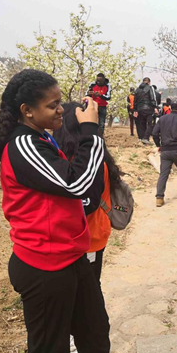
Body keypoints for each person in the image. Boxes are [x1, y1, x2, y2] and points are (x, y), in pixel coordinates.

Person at [0, 69, 111, 353]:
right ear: (27, 111)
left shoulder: (40, 138)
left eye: (60, 101)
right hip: (46, 266)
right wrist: (90, 131)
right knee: (50, 352)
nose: (61, 110)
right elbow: (77, 184)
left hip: (70, 256)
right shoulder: (24, 145)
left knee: (95, 334)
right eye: (52, 105)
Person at [53, 102, 123, 284]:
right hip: (92, 236)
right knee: (89, 287)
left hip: (86, 240)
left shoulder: (81, 164)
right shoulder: (94, 156)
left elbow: (87, 203)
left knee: (88, 289)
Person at [134, 77, 158, 144]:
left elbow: (135, 101)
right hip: (148, 109)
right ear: (149, 82)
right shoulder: (150, 88)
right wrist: (155, 107)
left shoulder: (137, 89)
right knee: (150, 124)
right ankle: (146, 138)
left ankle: (142, 139)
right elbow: (153, 98)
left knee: (142, 124)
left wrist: (135, 110)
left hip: (139, 109)